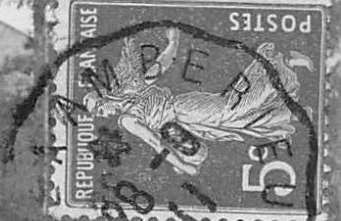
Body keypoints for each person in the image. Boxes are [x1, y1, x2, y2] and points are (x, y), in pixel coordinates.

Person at [83, 28, 310, 177]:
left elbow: (154, 140)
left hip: (182, 108)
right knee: (235, 124)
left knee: (231, 110)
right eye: (98, 113)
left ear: (104, 96)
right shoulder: (126, 108)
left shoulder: (128, 108)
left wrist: (174, 42)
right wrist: (181, 162)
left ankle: (283, 63)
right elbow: (159, 139)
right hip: (183, 124)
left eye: (98, 107)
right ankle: (288, 113)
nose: (101, 114)